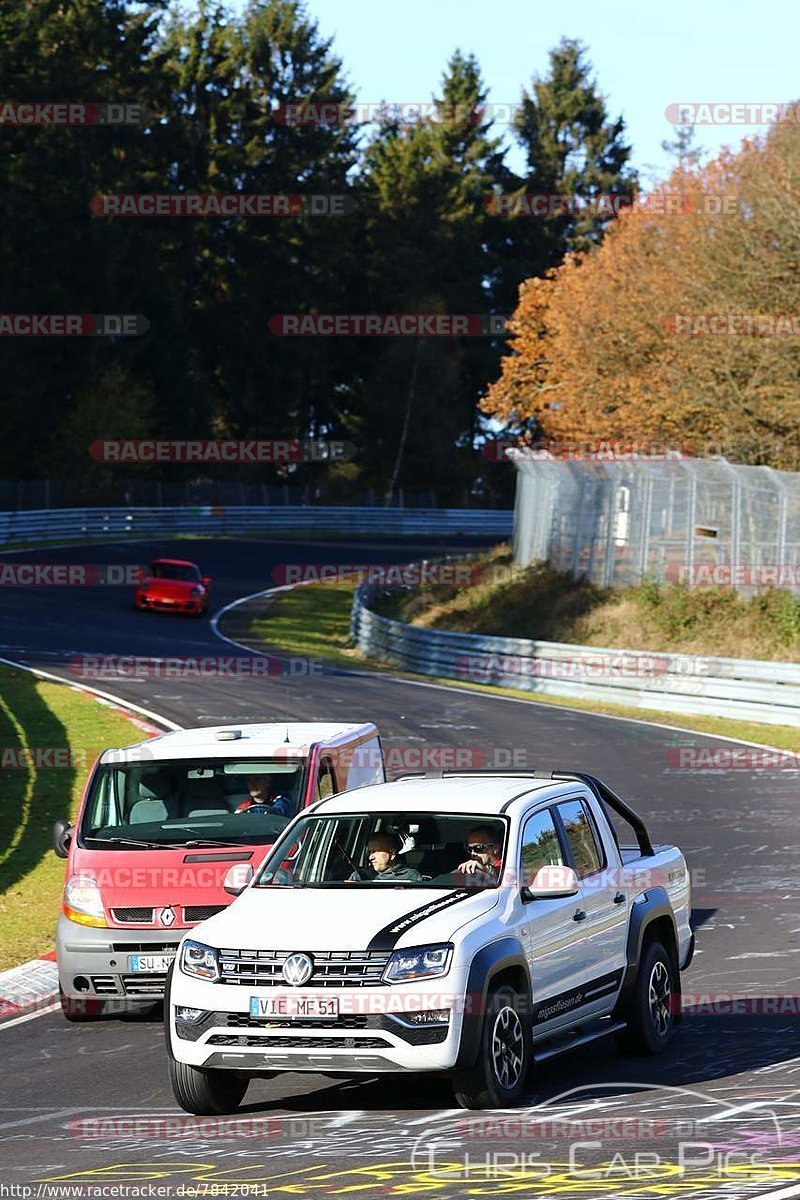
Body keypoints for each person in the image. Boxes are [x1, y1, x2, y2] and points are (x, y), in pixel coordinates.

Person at [348, 832, 422, 882]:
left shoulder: (410, 877)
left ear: (392, 854)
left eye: (375, 852)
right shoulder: (359, 876)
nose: (370, 857)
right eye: (370, 852)